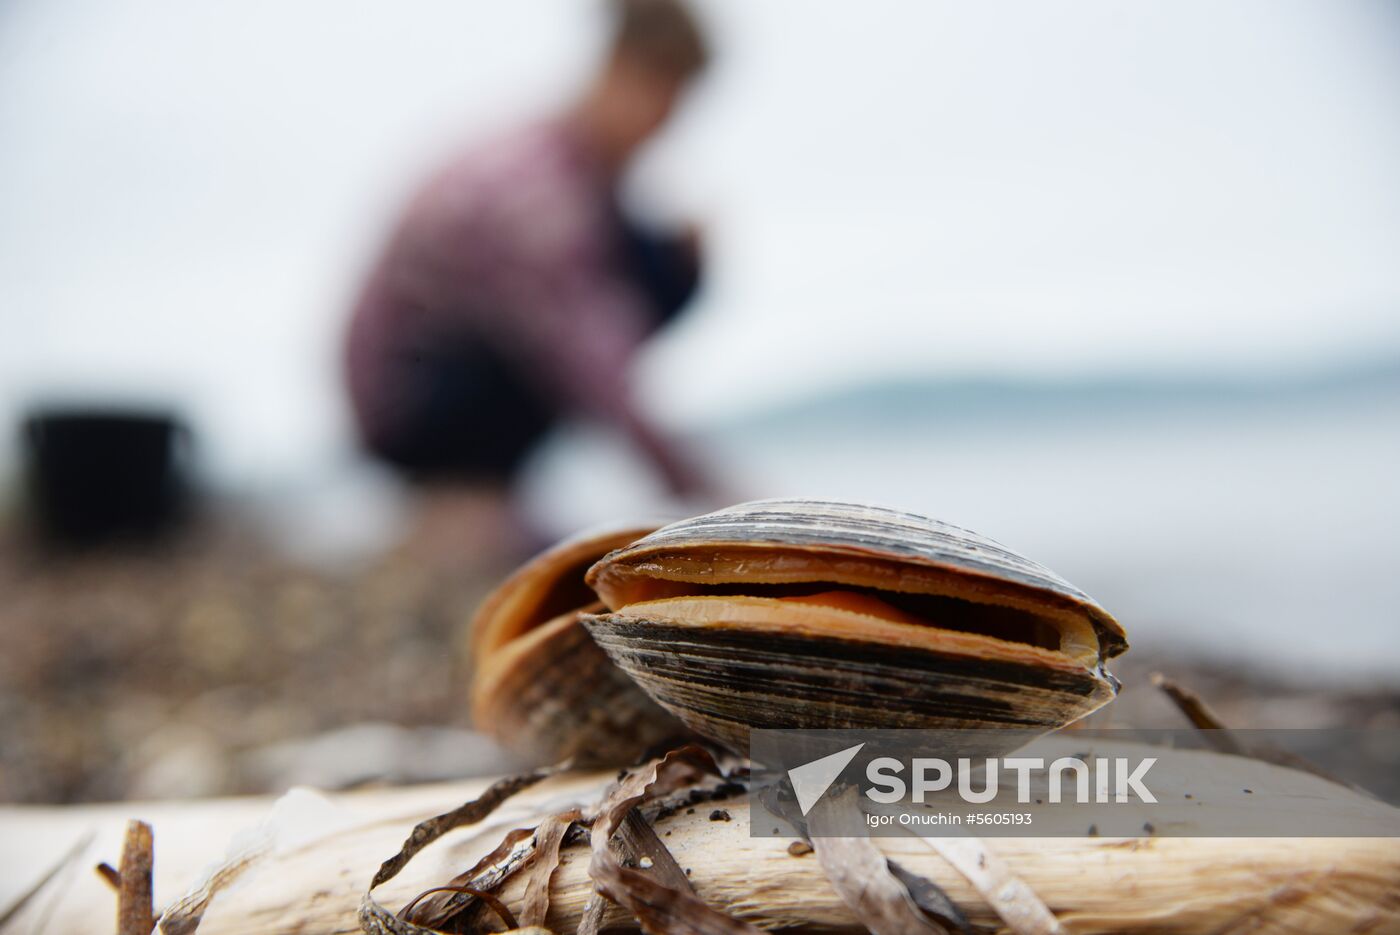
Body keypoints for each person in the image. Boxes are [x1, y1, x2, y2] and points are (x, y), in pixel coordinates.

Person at [344, 0, 713, 501]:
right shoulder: (538, 196)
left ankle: (485, 490)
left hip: (443, 370)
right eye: (666, 103)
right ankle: (463, 493)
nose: (665, 129)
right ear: (622, 69)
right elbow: (590, 362)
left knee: (666, 255)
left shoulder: (579, 170)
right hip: (407, 404)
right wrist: (701, 489)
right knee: (653, 273)